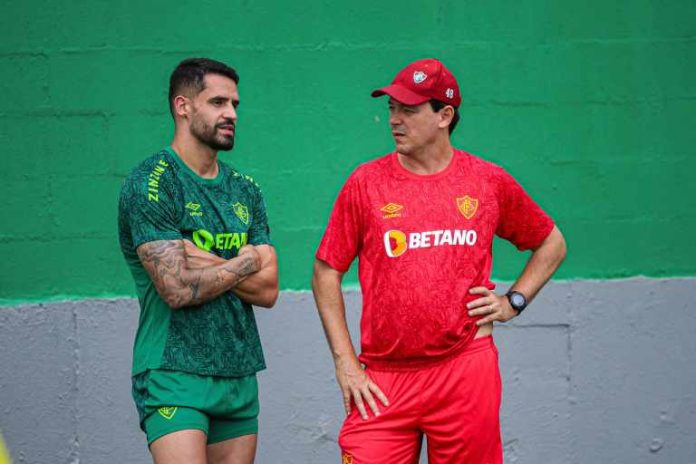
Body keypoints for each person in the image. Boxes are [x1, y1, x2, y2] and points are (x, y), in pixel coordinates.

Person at [312, 58, 566, 463]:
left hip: (464, 369)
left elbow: (551, 243)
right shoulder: (365, 183)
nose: (395, 120)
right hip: (382, 378)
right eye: (391, 109)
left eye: (408, 110)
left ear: (444, 115)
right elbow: (326, 271)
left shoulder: (487, 181)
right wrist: (345, 364)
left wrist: (512, 301)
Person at [118, 57, 279, 464]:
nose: (231, 114)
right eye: (218, 102)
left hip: (238, 373)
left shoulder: (246, 190)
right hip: (174, 372)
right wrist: (245, 261)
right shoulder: (153, 182)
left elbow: (269, 290)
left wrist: (202, 258)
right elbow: (177, 288)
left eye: (235, 104)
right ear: (183, 106)